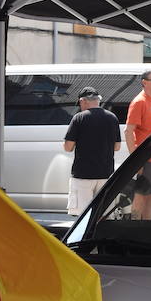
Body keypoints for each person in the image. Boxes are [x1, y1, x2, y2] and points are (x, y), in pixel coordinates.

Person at [64, 86, 121, 215]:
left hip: (83, 174)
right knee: (102, 215)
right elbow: (117, 147)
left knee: (82, 216)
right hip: (106, 174)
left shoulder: (79, 118)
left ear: (83, 101)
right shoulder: (112, 118)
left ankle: (85, 236)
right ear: (98, 100)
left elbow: (68, 147)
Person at [124, 69, 151, 219]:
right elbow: (129, 131)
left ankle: (146, 229)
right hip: (147, 159)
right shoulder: (139, 102)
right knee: (140, 196)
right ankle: (134, 229)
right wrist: (136, 160)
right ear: (144, 83)